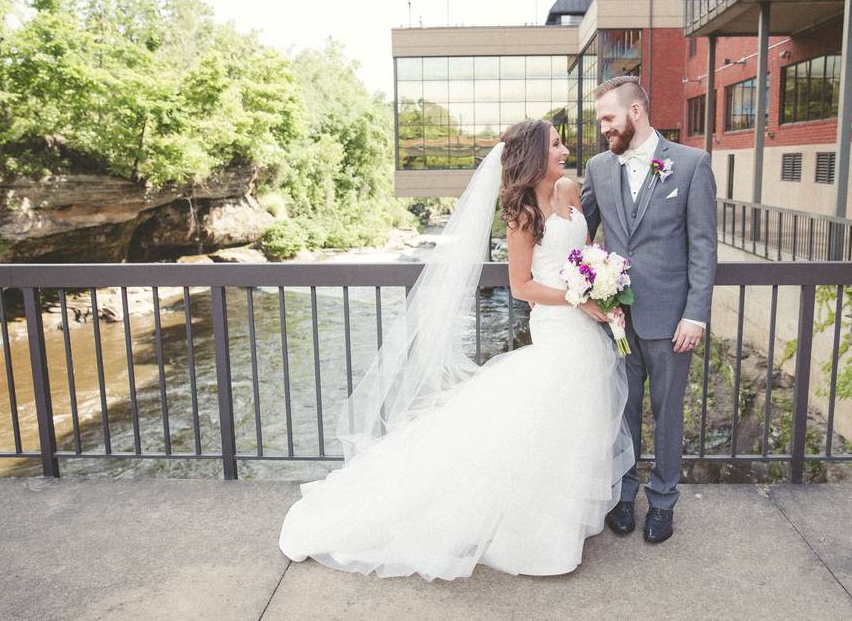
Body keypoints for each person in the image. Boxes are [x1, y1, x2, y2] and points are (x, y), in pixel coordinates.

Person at [279, 120, 635, 581]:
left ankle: (561, 521)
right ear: (533, 155)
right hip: (557, 323)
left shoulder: (569, 190)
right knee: (545, 416)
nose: (565, 150)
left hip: (587, 324)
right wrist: (579, 298)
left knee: (576, 420)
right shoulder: (522, 215)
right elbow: (521, 285)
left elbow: (583, 253)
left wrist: (600, 282)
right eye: (555, 145)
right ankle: (528, 532)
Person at [581, 76, 717, 544]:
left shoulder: (692, 165)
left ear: (635, 112)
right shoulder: (599, 167)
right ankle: (624, 495)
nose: (603, 128)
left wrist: (695, 315)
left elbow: (703, 247)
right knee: (622, 411)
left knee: (667, 414)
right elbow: (580, 233)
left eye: (608, 118)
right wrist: (586, 288)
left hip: (671, 320)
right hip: (616, 319)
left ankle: (663, 503)